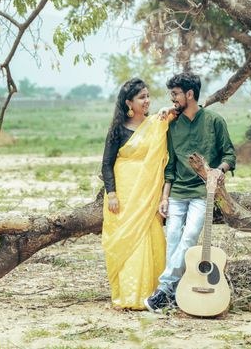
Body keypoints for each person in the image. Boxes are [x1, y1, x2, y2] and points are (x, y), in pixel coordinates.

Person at [145, 72, 236, 313]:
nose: (172, 98)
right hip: (177, 193)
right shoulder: (172, 124)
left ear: (189, 94)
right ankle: (175, 292)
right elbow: (170, 164)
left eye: (175, 94)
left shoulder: (214, 121)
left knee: (189, 237)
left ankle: (164, 289)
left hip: (201, 193)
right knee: (173, 238)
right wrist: (165, 196)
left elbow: (229, 155)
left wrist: (218, 170)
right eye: (171, 95)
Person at [100, 78, 174, 310]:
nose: (147, 100)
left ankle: (154, 294)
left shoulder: (155, 123)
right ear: (129, 103)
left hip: (148, 193)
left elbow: (173, 115)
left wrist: (165, 114)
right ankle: (129, 295)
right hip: (123, 194)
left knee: (151, 237)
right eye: (142, 97)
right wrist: (111, 193)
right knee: (126, 241)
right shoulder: (118, 130)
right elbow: (106, 164)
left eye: (148, 96)